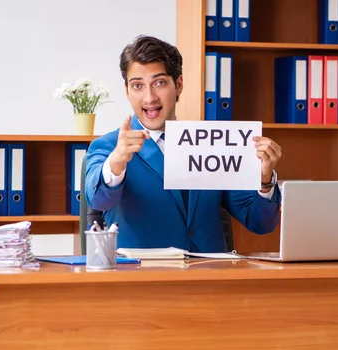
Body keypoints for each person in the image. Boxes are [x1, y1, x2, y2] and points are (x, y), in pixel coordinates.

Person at [85, 35, 283, 252]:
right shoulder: (108, 147)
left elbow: (259, 222)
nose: (149, 97)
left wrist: (265, 180)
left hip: (209, 278)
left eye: (159, 83)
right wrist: (117, 162)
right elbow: (98, 201)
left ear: (178, 85)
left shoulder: (213, 142)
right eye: (137, 86)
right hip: (142, 277)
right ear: (127, 91)